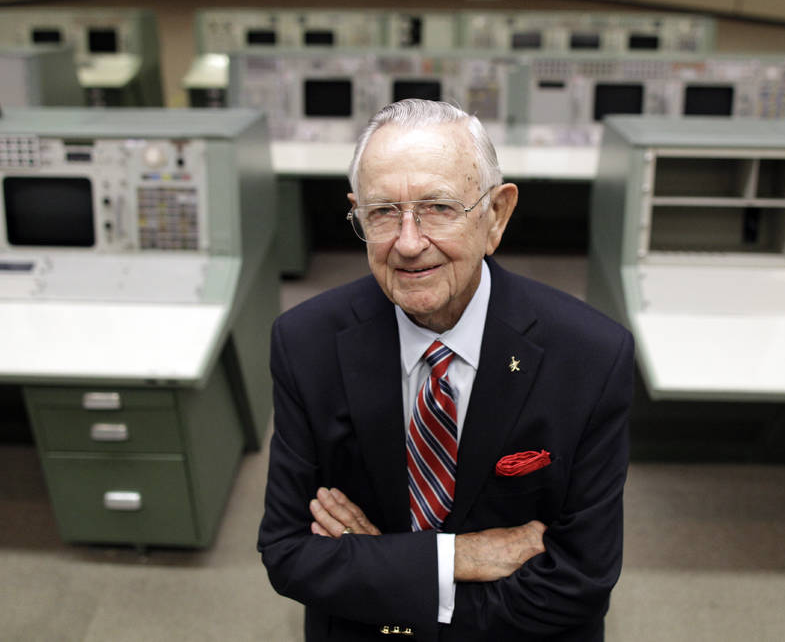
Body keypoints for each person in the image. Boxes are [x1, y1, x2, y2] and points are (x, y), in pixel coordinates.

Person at [258, 99, 634, 641]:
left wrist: (387, 575)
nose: (408, 243)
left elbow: (578, 580)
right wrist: (457, 557)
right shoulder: (305, 343)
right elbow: (289, 552)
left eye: (437, 207)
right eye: (383, 212)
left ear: (496, 216)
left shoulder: (591, 356)